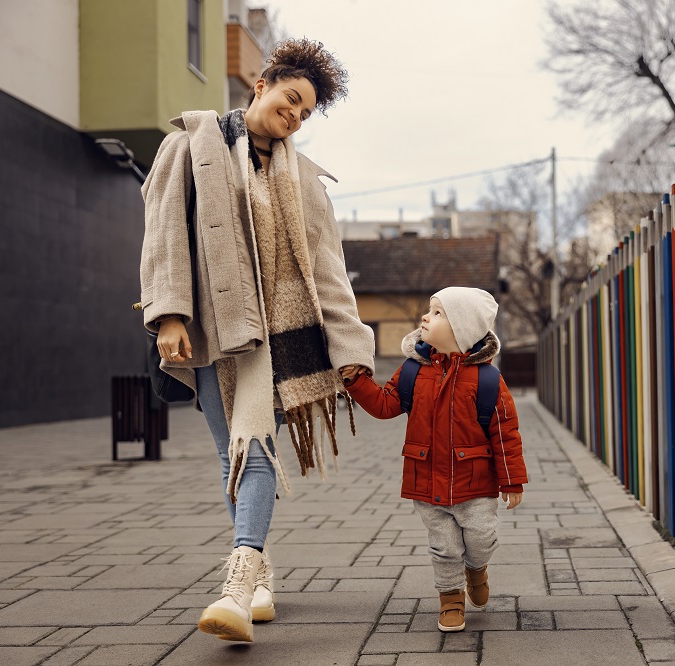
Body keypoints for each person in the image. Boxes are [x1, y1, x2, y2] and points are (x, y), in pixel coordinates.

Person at [139, 38, 374, 643]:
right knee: (232, 455)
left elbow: (327, 266)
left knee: (256, 448)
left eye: (305, 113)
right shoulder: (189, 145)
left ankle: (238, 587)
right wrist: (169, 316)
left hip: (281, 339)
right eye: (291, 100)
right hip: (214, 331)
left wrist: (351, 351)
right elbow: (164, 236)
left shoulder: (304, 177)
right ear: (264, 81)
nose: (293, 116)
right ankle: (263, 575)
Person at [343, 287, 528, 632]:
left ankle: (476, 568)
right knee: (444, 548)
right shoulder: (414, 371)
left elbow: (506, 433)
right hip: (427, 480)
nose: (426, 317)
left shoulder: (487, 379)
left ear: (462, 329)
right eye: (429, 310)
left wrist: (512, 480)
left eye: (438, 313)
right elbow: (385, 405)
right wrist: (356, 381)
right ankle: (450, 599)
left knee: (481, 538)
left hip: (476, 484)